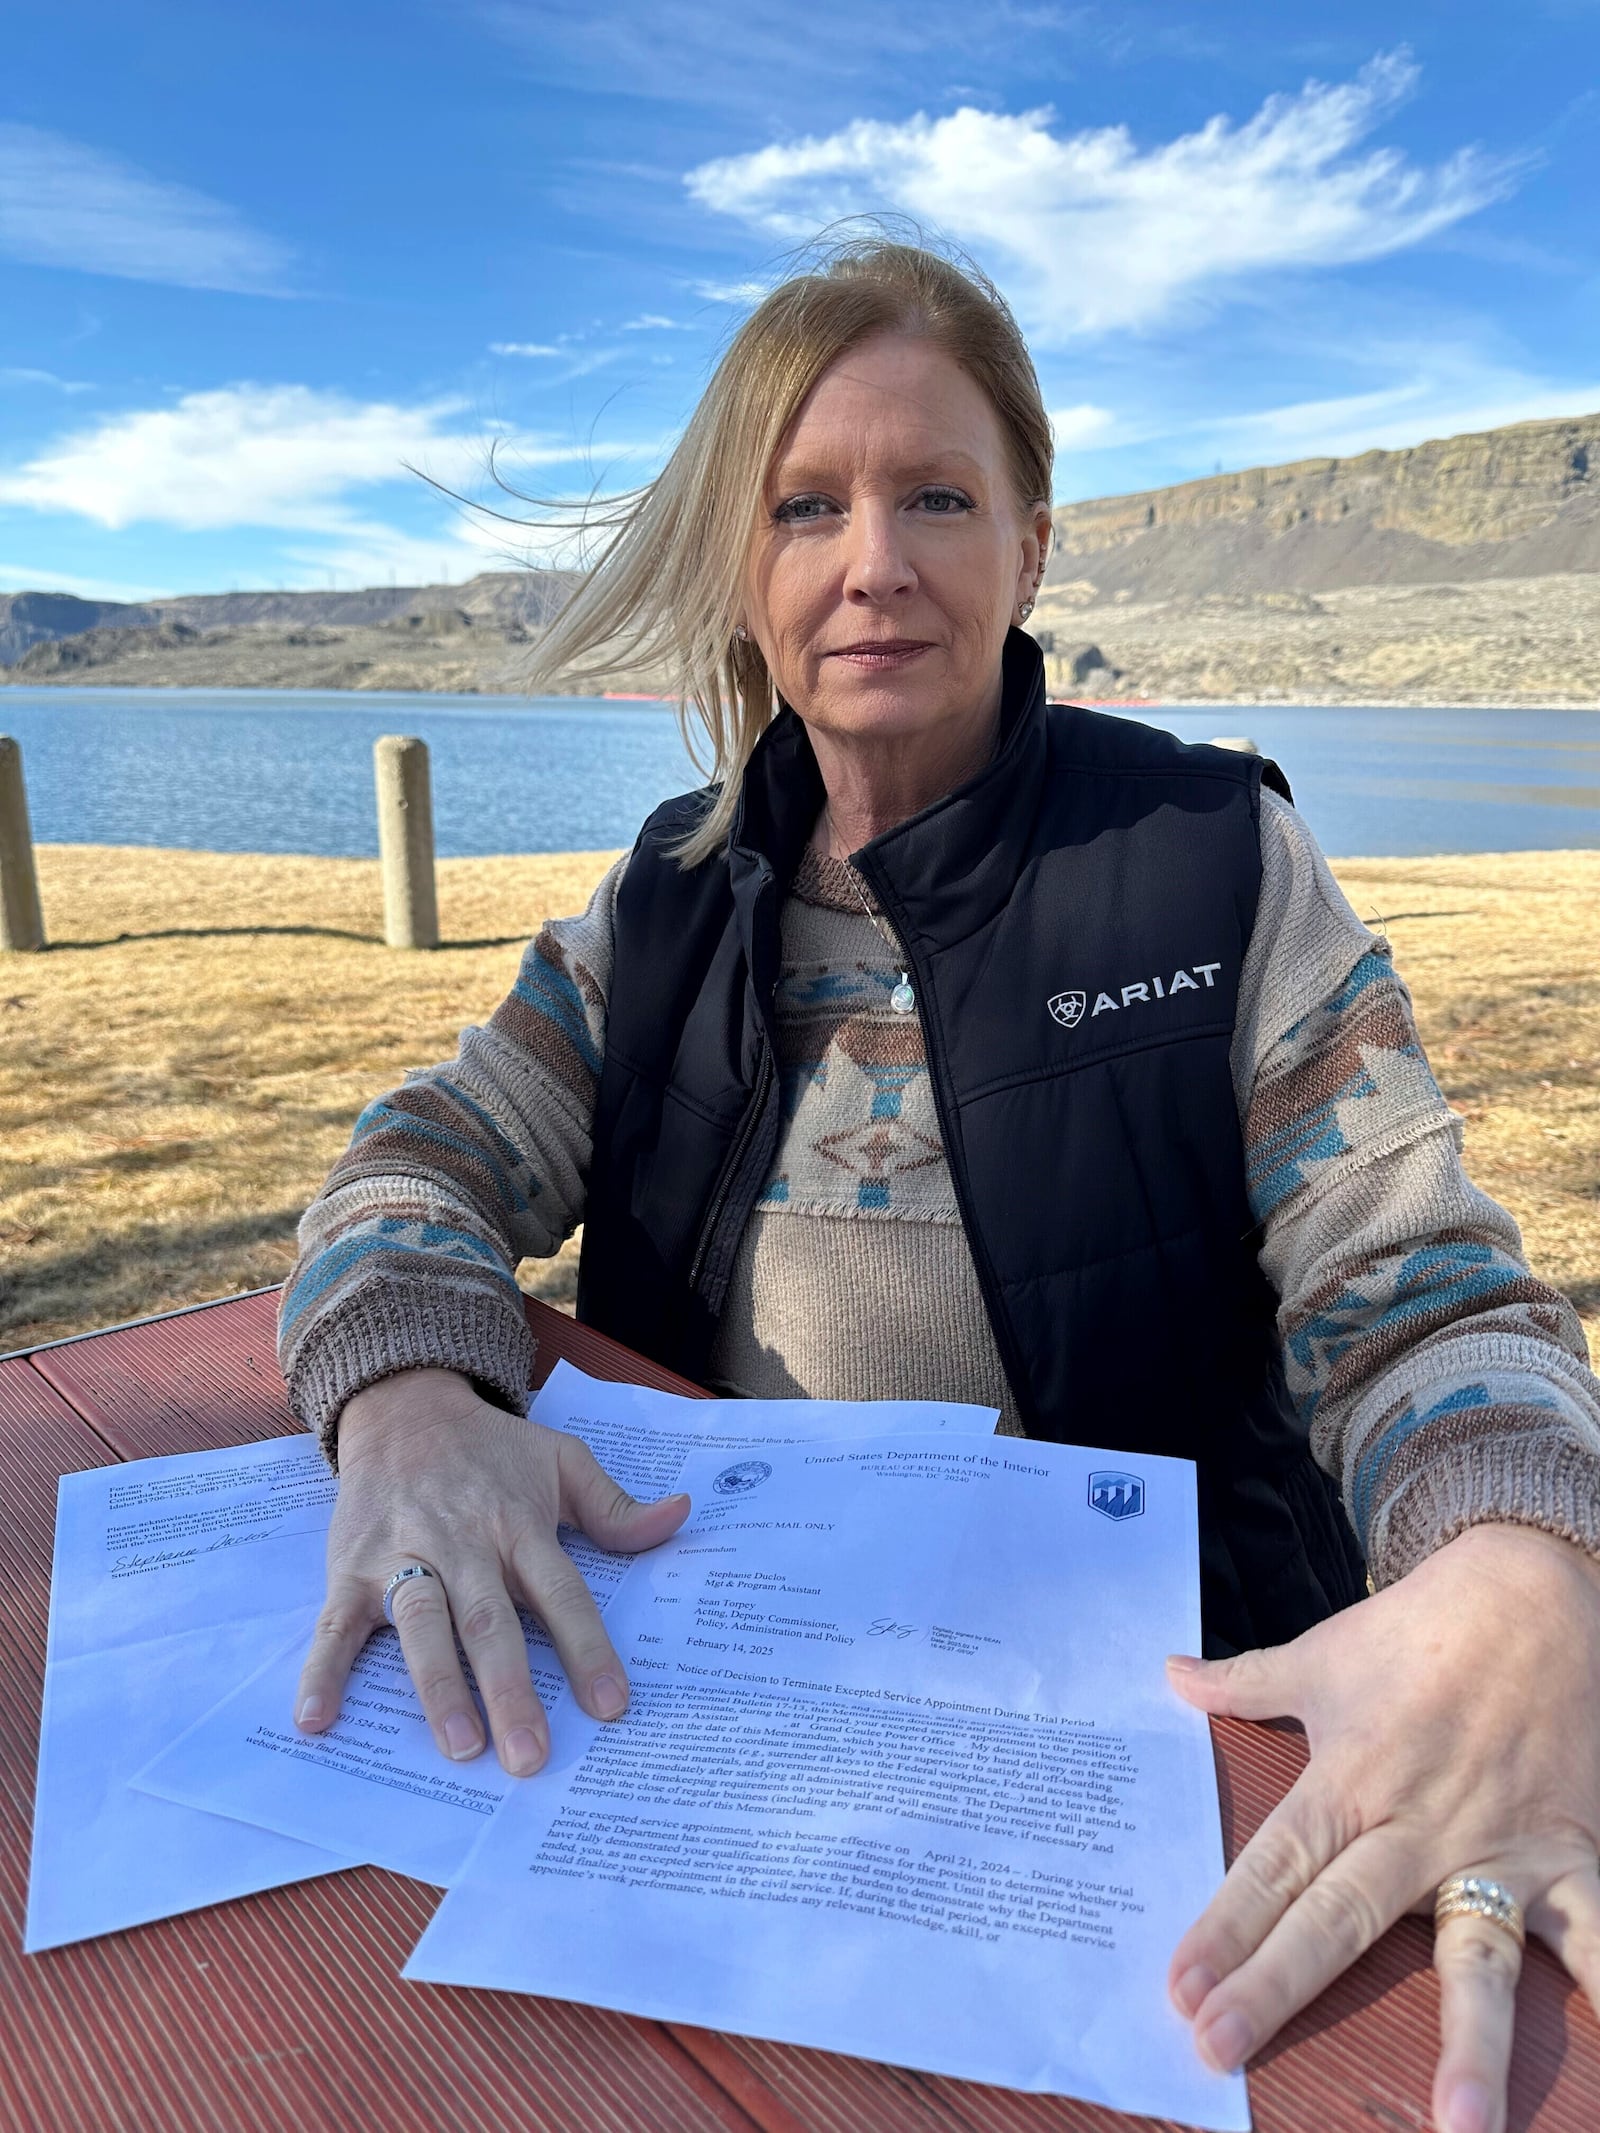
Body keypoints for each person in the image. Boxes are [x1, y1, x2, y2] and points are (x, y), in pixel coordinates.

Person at [280, 235, 1600, 2133]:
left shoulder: (1214, 861)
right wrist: (407, 1397)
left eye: (938, 497)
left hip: (1153, 1801)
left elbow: (1431, 1300)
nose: (871, 560)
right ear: (748, 575)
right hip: (691, 1756)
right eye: (806, 505)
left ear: (1033, 541)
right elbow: (422, 1156)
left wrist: (1515, 1565)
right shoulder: (665, 903)